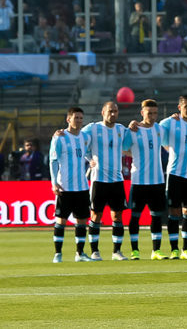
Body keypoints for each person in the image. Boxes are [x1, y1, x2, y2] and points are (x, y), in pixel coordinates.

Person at [81, 101, 129, 261]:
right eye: (110, 111)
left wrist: (136, 124)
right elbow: (77, 139)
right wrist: (89, 158)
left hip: (116, 180)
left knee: (117, 217)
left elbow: (133, 141)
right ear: (103, 112)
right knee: (96, 216)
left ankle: (117, 251)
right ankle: (95, 251)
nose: (113, 114)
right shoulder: (93, 128)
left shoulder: (122, 130)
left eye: (115, 111)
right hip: (98, 180)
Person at [158, 94, 187, 259]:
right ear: (179, 107)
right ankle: (174, 249)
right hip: (175, 174)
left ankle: (185, 249)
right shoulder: (169, 123)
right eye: (186, 106)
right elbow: (153, 131)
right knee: (174, 211)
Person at [125, 99, 168, 260]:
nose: (153, 116)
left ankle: (156, 250)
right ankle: (134, 250)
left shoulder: (160, 129)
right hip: (138, 181)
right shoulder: (133, 130)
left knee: (156, 216)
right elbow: (123, 148)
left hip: (157, 181)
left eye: (155, 113)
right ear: (142, 113)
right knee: (135, 216)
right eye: (149, 113)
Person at [49, 107, 91, 263]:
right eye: (76, 118)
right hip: (65, 187)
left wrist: (91, 160)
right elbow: (53, 161)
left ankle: (80, 254)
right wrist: (54, 183)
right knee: (61, 221)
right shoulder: (59, 137)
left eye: (81, 118)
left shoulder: (85, 137)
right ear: (68, 119)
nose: (79, 121)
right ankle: (57, 254)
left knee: (81, 221)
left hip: (82, 186)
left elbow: (86, 152)